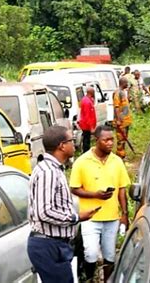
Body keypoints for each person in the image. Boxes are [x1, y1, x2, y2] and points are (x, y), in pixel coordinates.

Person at [27, 126, 99, 283]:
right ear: (62, 145)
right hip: (48, 245)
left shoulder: (54, 169)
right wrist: (75, 217)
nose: (74, 144)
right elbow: (44, 211)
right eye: (71, 141)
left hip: (55, 244)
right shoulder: (48, 172)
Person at [70, 125, 131, 282]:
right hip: (89, 217)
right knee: (90, 253)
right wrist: (95, 195)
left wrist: (124, 214)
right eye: (106, 140)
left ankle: (108, 280)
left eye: (112, 139)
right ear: (96, 141)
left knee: (110, 255)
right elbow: (75, 188)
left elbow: (122, 189)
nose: (110, 143)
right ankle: (90, 278)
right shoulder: (82, 162)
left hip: (111, 217)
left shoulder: (117, 161)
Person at [113, 77, 132, 159]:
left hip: (126, 121)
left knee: (124, 138)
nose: (127, 85)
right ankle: (120, 156)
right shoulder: (117, 93)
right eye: (126, 83)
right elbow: (116, 107)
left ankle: (123, 155)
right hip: (121, 121)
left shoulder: (123, 92)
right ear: (123, 83)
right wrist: (118, 120)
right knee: (121, 139)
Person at [78, 87, 97, 153]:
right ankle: (86, 153)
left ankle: (86, 152)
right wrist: (91, 127)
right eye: (93, 92)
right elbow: (87, 116)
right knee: (86, 141)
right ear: (91, 92)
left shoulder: (87, 100)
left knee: (87, 140)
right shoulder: (87, 102)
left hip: (86, 124)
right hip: (86, 125)